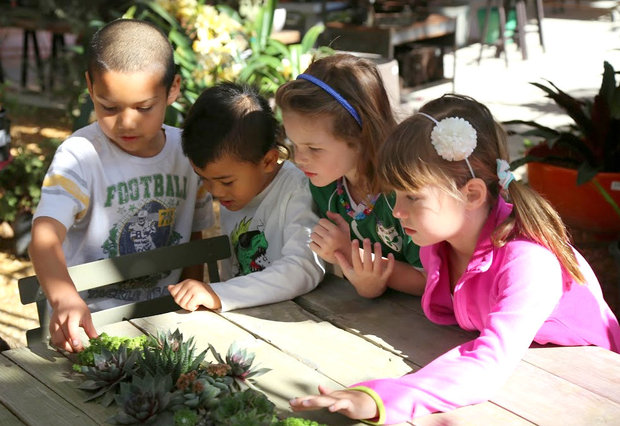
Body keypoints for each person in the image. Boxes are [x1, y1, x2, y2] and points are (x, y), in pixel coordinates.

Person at [289, 94, 620, 424]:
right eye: (396, 195)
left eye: (412, 197)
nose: (397, 211)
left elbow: (488, 364)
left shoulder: (528, 262)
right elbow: (438, 288)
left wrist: (381, 398)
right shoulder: (441, 243)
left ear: (472, 194)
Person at [28, 19, 214, 353]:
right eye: (108, 107)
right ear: (90, 86)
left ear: (173, 88)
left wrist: (192, 293)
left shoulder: (188, 153)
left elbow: (194, 239)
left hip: (166, 326)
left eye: (144, 108)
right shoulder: (79, 156)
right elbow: (44, 237)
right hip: (91, 329)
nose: (126, 122)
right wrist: (65, 298)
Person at [275, 54, 425, 298]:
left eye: (313, 148)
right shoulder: (324, 186)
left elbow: (427, 280)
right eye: (294, 144)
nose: (299, 158)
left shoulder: (405, 192)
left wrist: (349, 252)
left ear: (360, 138)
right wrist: (366, 282)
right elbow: (365, 284)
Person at [167, 82, 324, 312]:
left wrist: (219, 293)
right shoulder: (238, 195)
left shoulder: (297, 190)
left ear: (268, 161)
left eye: (226, 181)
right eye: (204, 178)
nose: (216, 192)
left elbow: (303, 268)